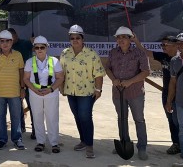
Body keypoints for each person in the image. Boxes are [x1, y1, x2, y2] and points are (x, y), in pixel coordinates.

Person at [59, 24, 105, 158]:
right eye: (72, 38)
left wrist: (98, 89)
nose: (75, 40)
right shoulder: (65, 53)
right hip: (70, 92)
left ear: (83, 39)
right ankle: (83, 141)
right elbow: (61, 72)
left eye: (77, 37)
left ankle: (89, 146)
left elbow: (98, 74)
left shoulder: (91, 54)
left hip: (87, 93)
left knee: (85, 117)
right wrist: (61, 87)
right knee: (77, 116)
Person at [106, 26, 150, 160]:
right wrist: (113, 79)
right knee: (122, 119)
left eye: (124, 37)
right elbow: (108, 68)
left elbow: (146, 72)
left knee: (139, 120)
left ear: (130, 39)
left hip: (135, 92)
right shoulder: (113, 52)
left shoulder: (139, 53)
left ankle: (142, 147)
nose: (121, 40)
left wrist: (130, 81)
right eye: (118, 37)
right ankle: (124, 142)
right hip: (118, 92)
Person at [134, 34, 180, 154]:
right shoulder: (163, 57)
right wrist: (135, 40)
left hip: (180, 94)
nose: (163, 47)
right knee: (171, 120)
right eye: (161, 45)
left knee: (179, 121)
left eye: (165, 44)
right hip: (166, 94)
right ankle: (176, 144)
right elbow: (145, 51)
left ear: (175, 45)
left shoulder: (180, 59)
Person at [23, 36, 64, 153]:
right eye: (37, 47)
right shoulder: (29, 62)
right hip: (35, 93)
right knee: (37, 117)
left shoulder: (54, 61)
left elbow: (60, 78)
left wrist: (51, 89)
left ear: (47, 48)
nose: (39, 49)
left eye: (42, 47)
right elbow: (26, 78)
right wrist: (34, 90)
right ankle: (40, 142)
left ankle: (54, 143)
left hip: (51, 93)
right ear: (34, 49)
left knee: (52, 118)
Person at [0, 30, 25, 150]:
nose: (5, 43)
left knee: (16, 116)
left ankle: (17, 139)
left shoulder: (18, 55)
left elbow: (21, 73)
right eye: (2, 41)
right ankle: (2, 140)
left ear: (12, 41)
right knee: (0, 117)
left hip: (15, 92)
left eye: (7, 41)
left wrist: (22, 88)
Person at [7, 28, 35, 138]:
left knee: (31, 104)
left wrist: (34, 42)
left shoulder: (25, 43)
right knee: (16, 105)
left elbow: (35, 48)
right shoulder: (7, 46)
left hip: (28, 79)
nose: (10, 40)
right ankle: (21, 126)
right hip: (14, 80)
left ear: (16, 35)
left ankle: (35, 129)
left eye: (12, 37)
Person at [167, 33, 183, 161]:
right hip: (179, 101)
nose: (181, 45)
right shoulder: (174, 61)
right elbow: (172, 83)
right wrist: (169, 101)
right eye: (179, 43)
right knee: (181, 127)